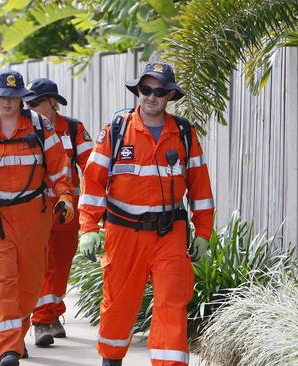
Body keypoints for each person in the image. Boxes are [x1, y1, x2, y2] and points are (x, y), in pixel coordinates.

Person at [78, 62, 214, 366]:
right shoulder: (116, 129)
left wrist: (203, 233)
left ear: (169, 96)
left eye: (159, 91)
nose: (151, 96)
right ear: (137, 91)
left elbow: (201, 189)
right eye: (145, 89)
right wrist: (88, 228)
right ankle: (111, 359)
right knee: (119, 303)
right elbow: (93, 182)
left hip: (169, 233)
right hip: (123, 231)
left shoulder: (183, 134)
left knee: (172, 303)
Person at [0, 70, 75, 366]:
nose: (7, 102)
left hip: (34, 216)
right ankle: (8, 349)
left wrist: (66, 198)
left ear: (22, 100)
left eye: (13, 97)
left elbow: (59, 171)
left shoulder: (41, 128)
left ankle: (16, 335)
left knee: (30, 284)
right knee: (3, 280)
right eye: (2, 97)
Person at [23, 78, 93, 346]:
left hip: (66, 214)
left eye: (35, 102)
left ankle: (51, 315)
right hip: (34, 212)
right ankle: (41, 321)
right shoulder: (25, 127)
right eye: (27, 103)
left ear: (52, 101)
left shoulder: (73, 129)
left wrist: (95, 207)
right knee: (40, 267)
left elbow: (92, 167)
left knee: (60, 268)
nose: (29, 107)